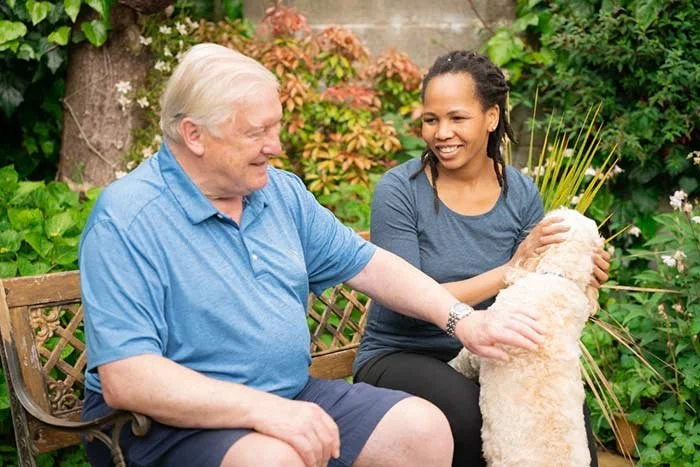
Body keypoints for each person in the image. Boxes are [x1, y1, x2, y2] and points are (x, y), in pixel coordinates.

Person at [79, 44, 548, 467]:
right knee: (274, 459)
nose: (275, 146)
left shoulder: (277, 194)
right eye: (257, 132)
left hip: (286, 394)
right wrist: (265, 410)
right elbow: (129, 378)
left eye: (275, 127)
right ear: (194, 135)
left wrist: (463, 321)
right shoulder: (129, 217)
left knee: (421, 431)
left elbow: (372, 265)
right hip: (158, 425)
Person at [353, 50, 611, 467]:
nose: (441, 133)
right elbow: (406, 296)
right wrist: (511, 269)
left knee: (566, 412)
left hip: (489, 350)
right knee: (470, 413)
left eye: (457, 118)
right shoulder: (399, 191)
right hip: (403, 354)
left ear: (491, 117)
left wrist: (581, 275)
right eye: (431, 119)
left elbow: (537, 288)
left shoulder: (520, 193)